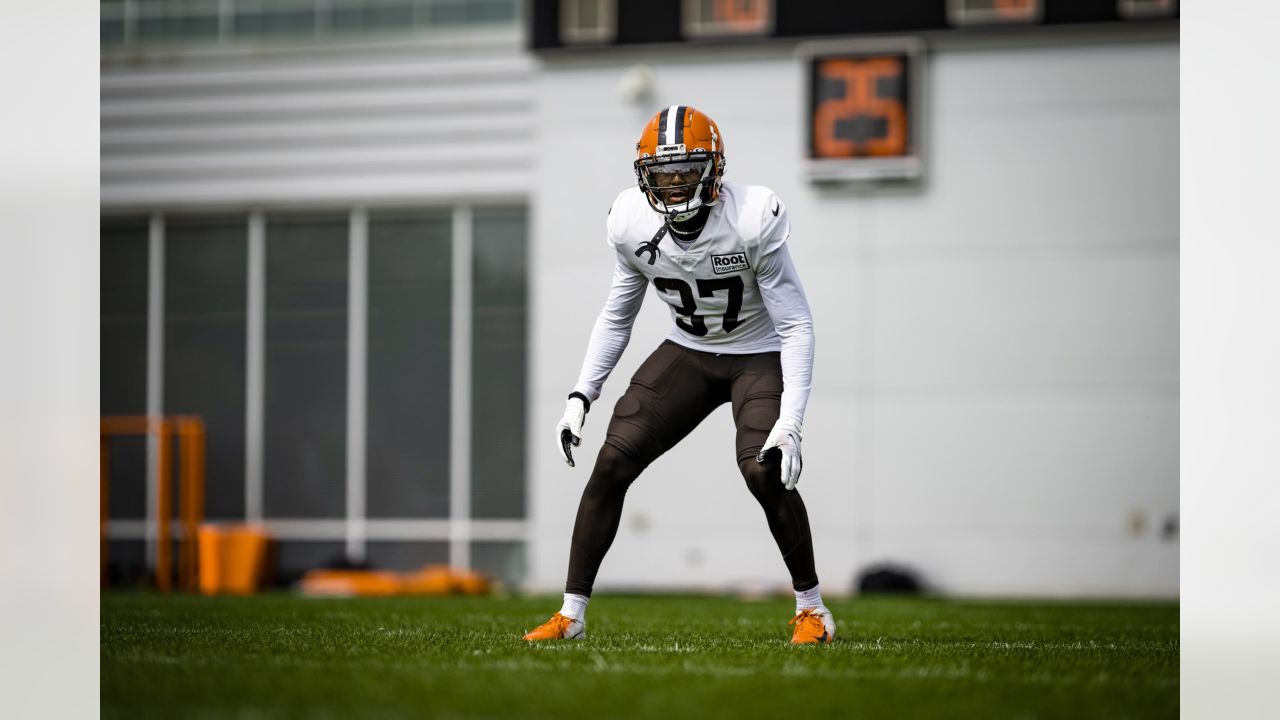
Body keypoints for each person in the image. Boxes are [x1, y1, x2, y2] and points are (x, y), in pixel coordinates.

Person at [522, 106, 835, 644]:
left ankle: (813, 611)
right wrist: (581, 395)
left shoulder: (752, 216)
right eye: (663, 174)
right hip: (689, 351)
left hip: (757, 352)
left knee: (765, 469)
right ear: (644, 177)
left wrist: (793, 420)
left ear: (713, 170)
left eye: (686, 171)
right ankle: (571, 615)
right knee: (613, 460)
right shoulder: (630, 224)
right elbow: (617, 314)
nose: (673, 185)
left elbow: (797, 322)